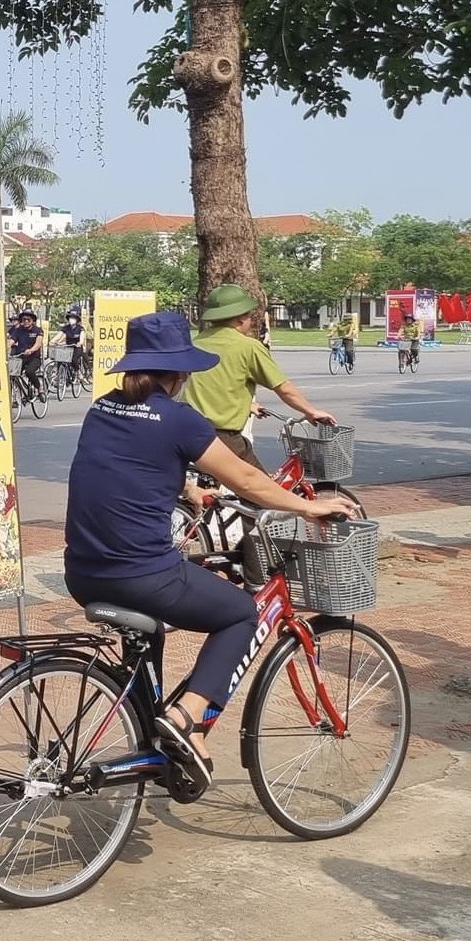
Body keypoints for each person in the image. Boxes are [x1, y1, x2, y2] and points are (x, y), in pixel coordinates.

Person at [65, 312, 355, 789]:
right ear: (179, 374)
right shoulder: (180, 419)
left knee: (150, 629)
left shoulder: (104, 408)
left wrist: (189, 490)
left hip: (82, 571)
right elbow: (245, 479)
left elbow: (126, 463)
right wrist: (309, 507)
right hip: (140, 574)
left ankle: (150, 744)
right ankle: (185, 718)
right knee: (239, 611)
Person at [183, 284, 335, 469]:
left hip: (185, 431)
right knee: (262, 492)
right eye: (248, 315)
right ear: (240, 319)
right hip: (221, 437)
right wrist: (311, 411)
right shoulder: (248, 347)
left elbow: (209, 385)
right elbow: (283, 388)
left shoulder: (192, 344)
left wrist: (247, 405)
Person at [8, 309, 44, 393]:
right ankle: (12, 396)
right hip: (20, 357)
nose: (26, 321)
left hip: (34, 358)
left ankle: (39, 388)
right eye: (24, 319)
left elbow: (38, 344)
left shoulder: (38, 330)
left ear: (33, 321)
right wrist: (5, 350)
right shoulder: (18, 330)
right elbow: (11, 342)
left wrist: (31, 350)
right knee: (11, 374)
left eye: (28, 319)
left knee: (29, 372)